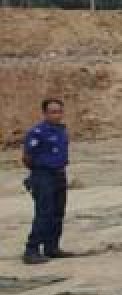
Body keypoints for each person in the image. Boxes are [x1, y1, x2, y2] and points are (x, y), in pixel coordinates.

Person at [21, 99, 74, 264]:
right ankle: (31, 250)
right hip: (43, 175)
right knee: (44, 213)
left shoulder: (61, 131)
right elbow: (27, 157)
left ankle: (51, 247)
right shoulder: (37, 132)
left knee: (58, 213)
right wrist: (38, 172)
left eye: (59, 111)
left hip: (59, 174)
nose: (57, 115)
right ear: (45, 113)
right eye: (52, 112)